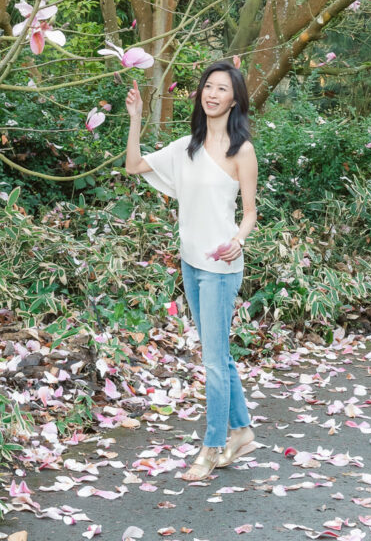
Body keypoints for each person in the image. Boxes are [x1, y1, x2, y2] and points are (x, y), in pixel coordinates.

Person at [125, 60, 258, 481]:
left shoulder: (242, 151)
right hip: (190, 263)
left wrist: (238, 240)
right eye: (208, 87)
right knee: (218, 355)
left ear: (235, 98)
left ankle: (214, 446)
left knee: (214, 361)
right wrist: (136, 119)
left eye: (222, 88)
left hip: (221, 265)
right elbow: (133, 166)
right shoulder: (185, 148)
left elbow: (250, 213)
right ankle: (243, 431)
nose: (212, 94)